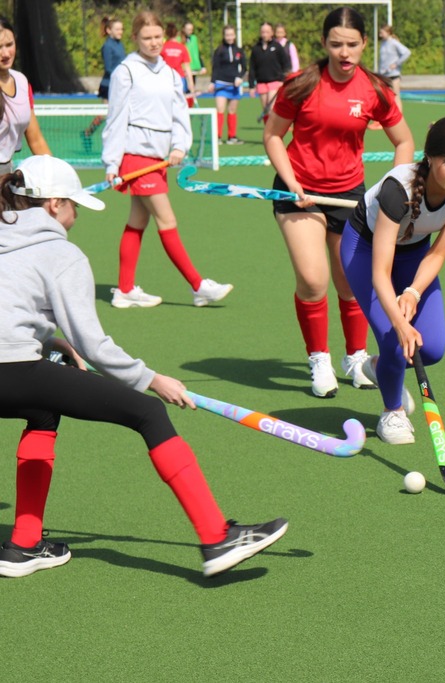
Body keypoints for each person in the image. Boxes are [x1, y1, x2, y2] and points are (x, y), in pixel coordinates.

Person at [0, 154, 287, 578]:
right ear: (54, 205)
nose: (76, 213)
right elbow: (93, 344)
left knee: (42, 410)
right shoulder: (61, 252)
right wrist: (151, 379)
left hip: (15, 367)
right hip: (14, 371)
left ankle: (24, 545)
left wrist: (46, 339)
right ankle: (217, 537)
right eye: (74, 204)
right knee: (149, 413)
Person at [264, 6, 414, 399]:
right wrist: (293, 183)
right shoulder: (300, 84)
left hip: (350, 196)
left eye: (352, 45)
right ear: (323, 44)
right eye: (336, 45)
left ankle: (356, 356)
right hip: (300, 194)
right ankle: (319, 359)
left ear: (366, 43)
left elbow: (404, 141)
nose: (344, 53)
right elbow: (273, 136)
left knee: (349, 281)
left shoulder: (375, 89)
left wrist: (393, 190)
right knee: (314, 280)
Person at [341, 116, 445, 444]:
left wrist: (413, 292)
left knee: (431, 348)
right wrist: (400, 322)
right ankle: (392, 413)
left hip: (416, 254)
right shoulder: (397, 189)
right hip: (364, 249)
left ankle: (379, 367)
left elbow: (438, 254)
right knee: (397, 339)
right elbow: (380, 272)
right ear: (431, 157)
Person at [102, 11, 233, 309]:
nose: (153, 43)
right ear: (135, 38)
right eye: (146, 38)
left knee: (137, 221)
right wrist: (112, 163)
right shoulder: (126, 71)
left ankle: (124, 290)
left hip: (158, 160)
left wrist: (179, 146)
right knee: (167, 219)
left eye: (158, 37)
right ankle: (198, 285)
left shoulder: (171, 73)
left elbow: (179, 114)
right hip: (136, 159)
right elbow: (116, 118)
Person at [0, 17, 50, 175]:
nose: (5, 53)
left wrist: (55, 175)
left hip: (6, 174)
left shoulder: (21, 82)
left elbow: (36, 139)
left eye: (9, 45)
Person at [83, 17, 126, 149]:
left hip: (120, 85)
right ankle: (88, 133)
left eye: (122, 29)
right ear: (109, 30)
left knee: (119, 113)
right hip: (109, 86)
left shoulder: (120, 44)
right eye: (117, 29)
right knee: (106, 113)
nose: (120, 32)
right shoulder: (107, 46)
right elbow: (109, 68)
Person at [208, 25, 247, 144]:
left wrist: (239, 78)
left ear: (235, 35)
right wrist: (212, 82)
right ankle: (217, 137)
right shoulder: (219, 51)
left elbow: (245, 68)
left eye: (231, 35)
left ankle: (232, 137)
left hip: (234, 85)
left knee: (232, 110)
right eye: (227, 35)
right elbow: (215, 68)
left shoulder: (239, 50)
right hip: (221, 84)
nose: (229, 37)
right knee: (220, 109)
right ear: (224, 36)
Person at [249, 22, 290, 123]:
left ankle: (272, 134)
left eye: (267, 32)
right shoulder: (256, 49)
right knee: (265, 110)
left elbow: (286, 64)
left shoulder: (277, 47)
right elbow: (252, 68)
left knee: (271, 108)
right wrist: (251, 86)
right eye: (263, 32)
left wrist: (282, 79)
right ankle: (268, 134)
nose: (264, 34)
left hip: (275, 82)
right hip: (261, 83)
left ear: (272, 33)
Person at [161, 22, 196, 107]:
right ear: (177, 34)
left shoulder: (163, 47)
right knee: (179, 103)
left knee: (166, 103)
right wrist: (191, 83)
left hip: (166, 78)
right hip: (180, 78)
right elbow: (187, 67)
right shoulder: (182, 47)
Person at [377, 25, 410, 112]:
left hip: (394, 74)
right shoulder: (383, 43)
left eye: (382, 33)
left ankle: (399, 118)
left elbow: (407, 52)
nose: (380, 35)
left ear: (388, 33)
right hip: (383, 75)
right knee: (383, 97)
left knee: (395, 96)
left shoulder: (394, 43)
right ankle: (382, 118)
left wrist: (396, 63)